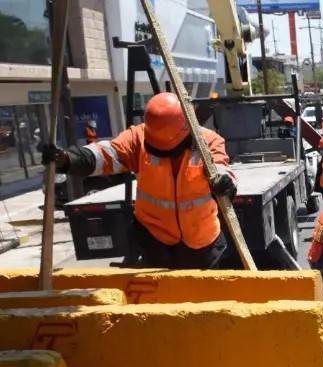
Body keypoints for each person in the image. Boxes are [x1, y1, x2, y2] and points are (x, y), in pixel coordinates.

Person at [44, 92, 237, 270]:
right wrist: (69, 159)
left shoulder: (208, 141)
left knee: (201, 300)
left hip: (201, 242)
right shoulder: (139, 137)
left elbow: (221, 166)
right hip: (155, 240)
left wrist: (224, 182)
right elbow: (105, 155)